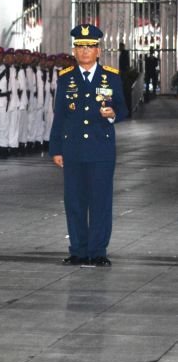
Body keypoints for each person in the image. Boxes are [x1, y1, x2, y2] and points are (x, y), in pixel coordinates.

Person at [49, 24, 127, 267]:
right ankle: (79, 250)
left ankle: (98, 250)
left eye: (90, 47)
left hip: (101, 150)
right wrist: (56, 149)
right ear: (74, 50)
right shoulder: (65, 78)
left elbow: (124, 108)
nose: (85, 51)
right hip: (72, 150)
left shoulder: (111, 77)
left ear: (98, 51)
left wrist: (113, 113)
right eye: (80, 47)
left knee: (100, 201)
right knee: (74, 201)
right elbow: (59, 115)